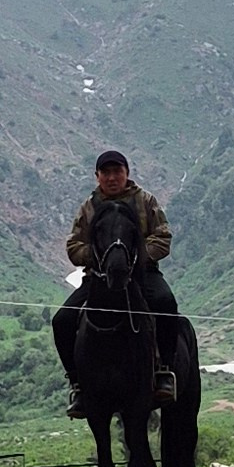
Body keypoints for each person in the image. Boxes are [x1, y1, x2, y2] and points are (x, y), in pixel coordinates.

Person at [66, 148, 178, 401]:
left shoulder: (145, 201)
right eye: (106, 173)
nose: (112, 177)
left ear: (127, 173)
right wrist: (102, 259)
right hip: (99, 277)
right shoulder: (88, 208)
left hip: (143, 274)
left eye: (117, 171)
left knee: (166, 304)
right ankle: (77, 383)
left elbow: (162, 237)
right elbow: (74, 246)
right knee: (62, 320)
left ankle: (164, 370)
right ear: (97, 176)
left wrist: (134, 259)